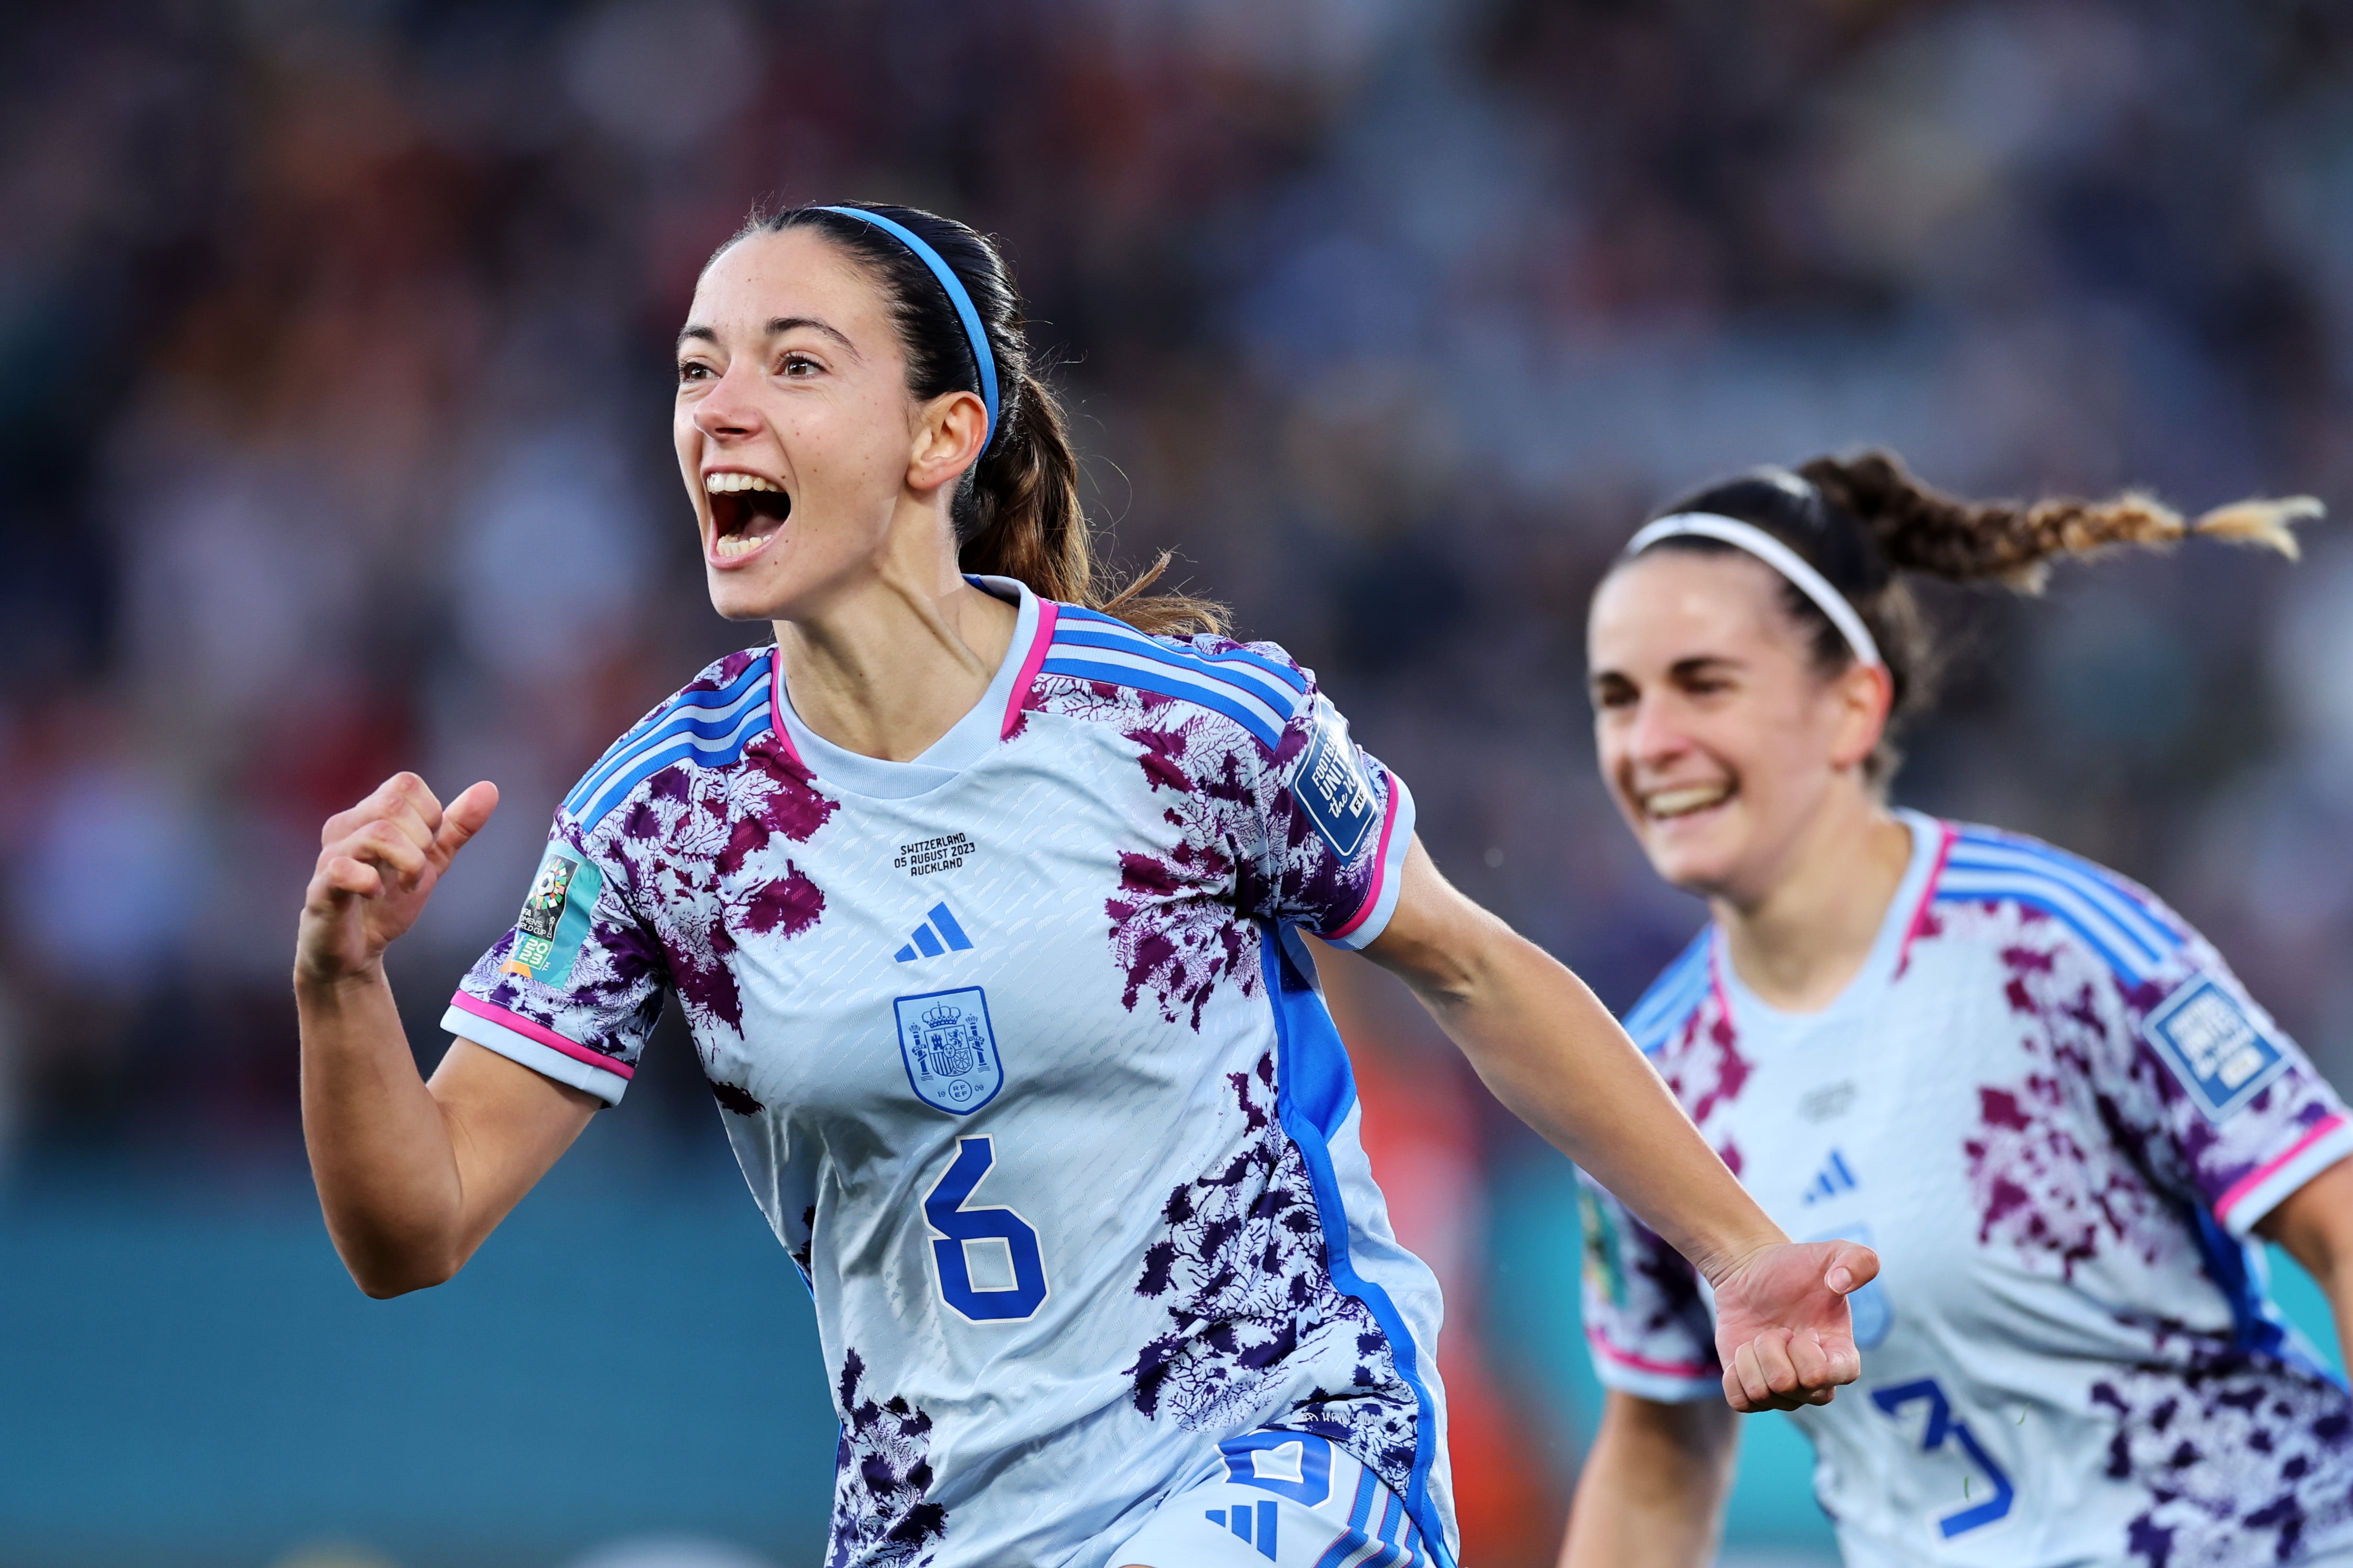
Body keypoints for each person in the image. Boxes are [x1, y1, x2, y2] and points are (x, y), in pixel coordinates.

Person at [293, 200, 1870, 1568]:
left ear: (940, 438)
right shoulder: (664, 822)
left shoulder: (1186, 729)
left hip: (1283, 1451)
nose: (720, 409)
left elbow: (1472, 966)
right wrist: (342, 983)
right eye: (697, 366)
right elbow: (409, 1228)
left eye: (792, 363)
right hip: (940, 1522)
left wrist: (1736, 1250)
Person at [1563, 452, 2353, 1568]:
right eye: (1617, 698)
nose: (1649, 742)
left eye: (1704, 683)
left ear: (1851, 706)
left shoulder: (2054, 945)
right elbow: (1657, 1447)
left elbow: (2336, 1215)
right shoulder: (1635, 1075)